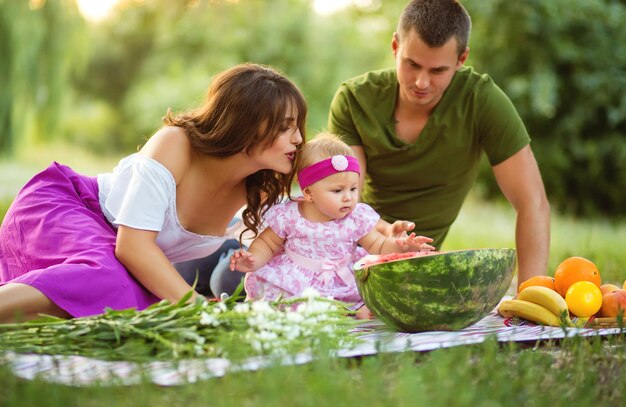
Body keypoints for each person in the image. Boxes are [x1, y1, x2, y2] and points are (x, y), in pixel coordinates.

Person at [0, 63, 307, 322]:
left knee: (137, 300)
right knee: (118, 283)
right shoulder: (176, 145)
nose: (298, 138)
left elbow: (311, 225)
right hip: (66, 206)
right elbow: (132, 248)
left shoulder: (259, 188)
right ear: (246, 124)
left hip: (110, 253)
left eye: (298, 127)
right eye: (286, 127)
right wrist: (199, 312)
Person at [327, 0, 550, 286]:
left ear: (461, 59)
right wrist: (382, 246)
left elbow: (532, 202)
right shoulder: (354, 100)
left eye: (437, 71)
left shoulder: (481, 101)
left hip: (423, 264)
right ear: (395, 47)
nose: (421, 82)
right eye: (412, 64)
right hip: (356, 252)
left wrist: (531, 294)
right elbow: (343, 203)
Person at [229, 133, 434, 318]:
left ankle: (354, 309)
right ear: (309, 193)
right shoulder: (290, 215)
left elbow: (379, 246)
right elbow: (267, 244)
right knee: (282, 302)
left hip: (342, 281)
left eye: (353, 189)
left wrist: (401, 246)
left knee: (375, 289)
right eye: (337, 191)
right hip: (298, 281)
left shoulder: (355, 218)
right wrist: (253, 261)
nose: (348, 198)